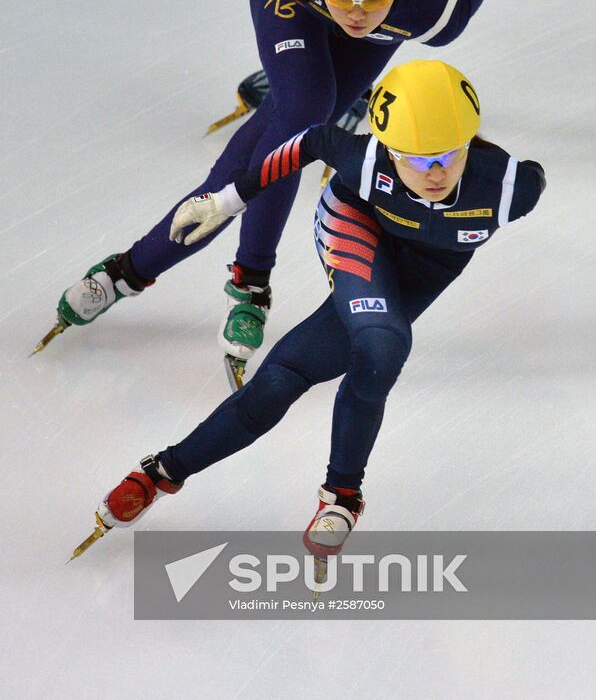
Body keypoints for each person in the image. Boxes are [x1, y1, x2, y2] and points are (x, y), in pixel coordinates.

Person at [42, 0, 496, 370]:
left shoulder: (434, 13)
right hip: (293, 3)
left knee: (275, 136)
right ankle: (252, 280)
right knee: (304, 112)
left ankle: (129, 271)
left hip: (381, 20)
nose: (355, 11)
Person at [74, 59, 545, 560]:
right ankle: (343, 496)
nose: (433, 172)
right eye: (412, 157)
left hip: (425, 268)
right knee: (384, 341)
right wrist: (228, 201)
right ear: (387, 148)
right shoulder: (365, 160)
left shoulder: (514, 188)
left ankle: (160, 473)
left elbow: (528, 178)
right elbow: (312, 141)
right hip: (358, 224)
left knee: (283, 379)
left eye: (448, 156)